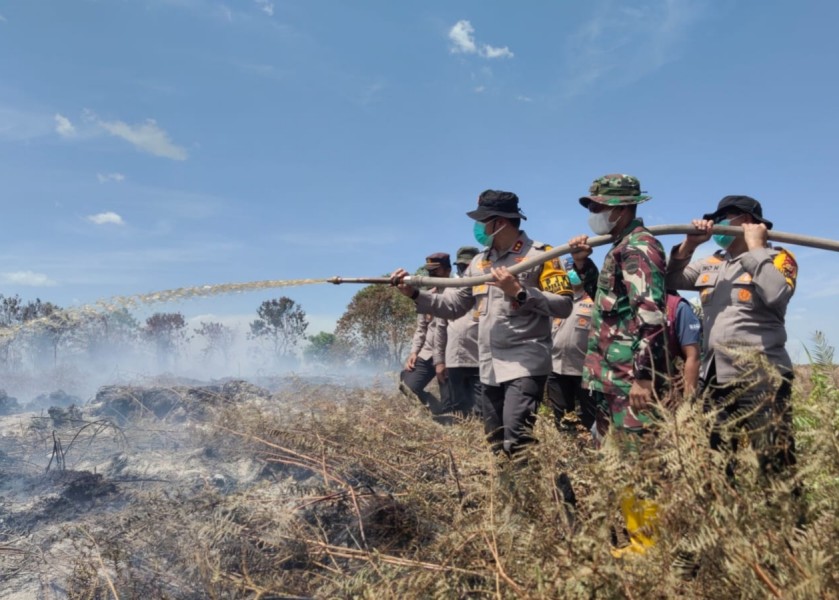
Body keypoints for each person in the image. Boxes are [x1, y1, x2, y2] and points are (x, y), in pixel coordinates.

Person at [391, 190, 574, 458]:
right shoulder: (480, 262)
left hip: (524, 365)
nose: (478, 227)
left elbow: (564, 305)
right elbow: (453, 306)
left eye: (482, 220)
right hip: (488, 367)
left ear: (500, 222)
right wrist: (415, 294)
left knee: (517, 439)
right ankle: (507, 493)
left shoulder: (542, 255)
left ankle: (540, 492)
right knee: (496, 444)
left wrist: (521, 292)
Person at [665, 195, 797, 475]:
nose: (718, 225)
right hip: (716, 379)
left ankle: (781, 518)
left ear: (747, 221)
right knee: (718, 463)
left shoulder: (778, 258)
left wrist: (756, 249)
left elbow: (776, 295)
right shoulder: (710, 263)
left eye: (725, 218)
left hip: (763, 378)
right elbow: (669, 281)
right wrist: (689, 245)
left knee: (775, 466)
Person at [569, 174, 668, 440]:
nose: (592, 214)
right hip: (611, 379)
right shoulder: (619, 247)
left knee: (637, 465)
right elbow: (607, 302)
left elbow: (651, 315)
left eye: (597, 207)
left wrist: (645, 377)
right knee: (612, 463)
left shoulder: (638, 247)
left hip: (629, 381)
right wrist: (581, 264)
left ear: (621, 208)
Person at [546, 258, 597, 433]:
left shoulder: (594, 298)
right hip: (557, 369)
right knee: (562, 420)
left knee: (590, 418)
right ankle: (567, 452)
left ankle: (589, 451)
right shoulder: (558, 301)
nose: (571, 274)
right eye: (568, 271)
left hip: (584, 371)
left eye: (573, 271)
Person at [399, 253, 452, 414]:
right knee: (407, 385)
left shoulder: (458, 294)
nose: (432, 275)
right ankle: (434, 408)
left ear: (448, 270)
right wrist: (414, 352)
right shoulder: (426, 296)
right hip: (428, 352)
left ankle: (447, 419)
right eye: (429, 271)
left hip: (450, 355)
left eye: (436, 270)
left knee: (452, 406)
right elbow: (421, 328)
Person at [433, 246, 482, 417]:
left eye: (468, 266)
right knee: (458, 412)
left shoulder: (485, 289)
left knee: (482, 411)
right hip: (454, 361)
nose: (464, 269)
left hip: (480, 361)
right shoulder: (449, 290)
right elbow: (440, 329)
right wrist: (439, 361)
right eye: (461, 266)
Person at [664, 290, 702, 401]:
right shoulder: (622, 308)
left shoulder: (677, 307)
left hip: (668, 397)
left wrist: (687, 405)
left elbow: (693, 357)